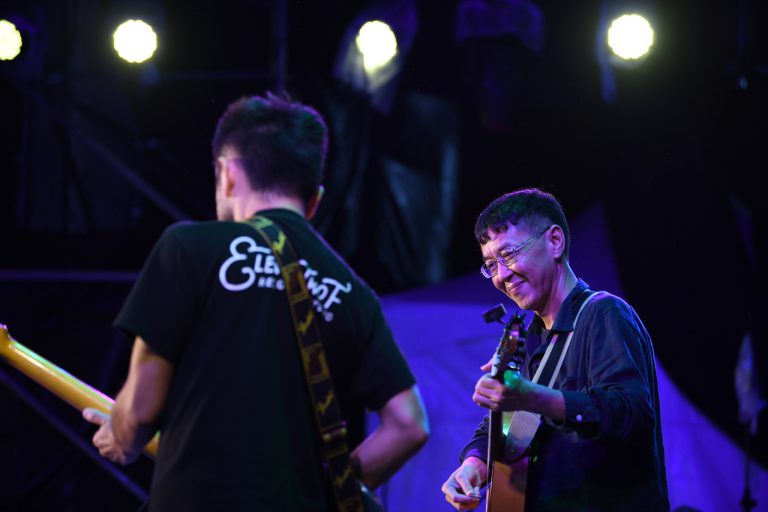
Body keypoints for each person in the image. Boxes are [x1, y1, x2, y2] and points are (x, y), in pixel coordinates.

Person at [82, 92, 429, 510]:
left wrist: (120, 433)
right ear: (315, 200)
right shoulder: (352, 293)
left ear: (228, 173)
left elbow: (140, 410)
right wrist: (328, 493)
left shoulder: (189, 248)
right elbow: (410, 424)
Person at [441, 188, 668, 511]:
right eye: (490, 264)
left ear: (555, 242)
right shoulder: (527, 339)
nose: (501, 275)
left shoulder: (604, 313)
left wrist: (532, 397)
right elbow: (508, 426)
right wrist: (474, 463)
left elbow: (630, 412)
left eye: (509, 254)